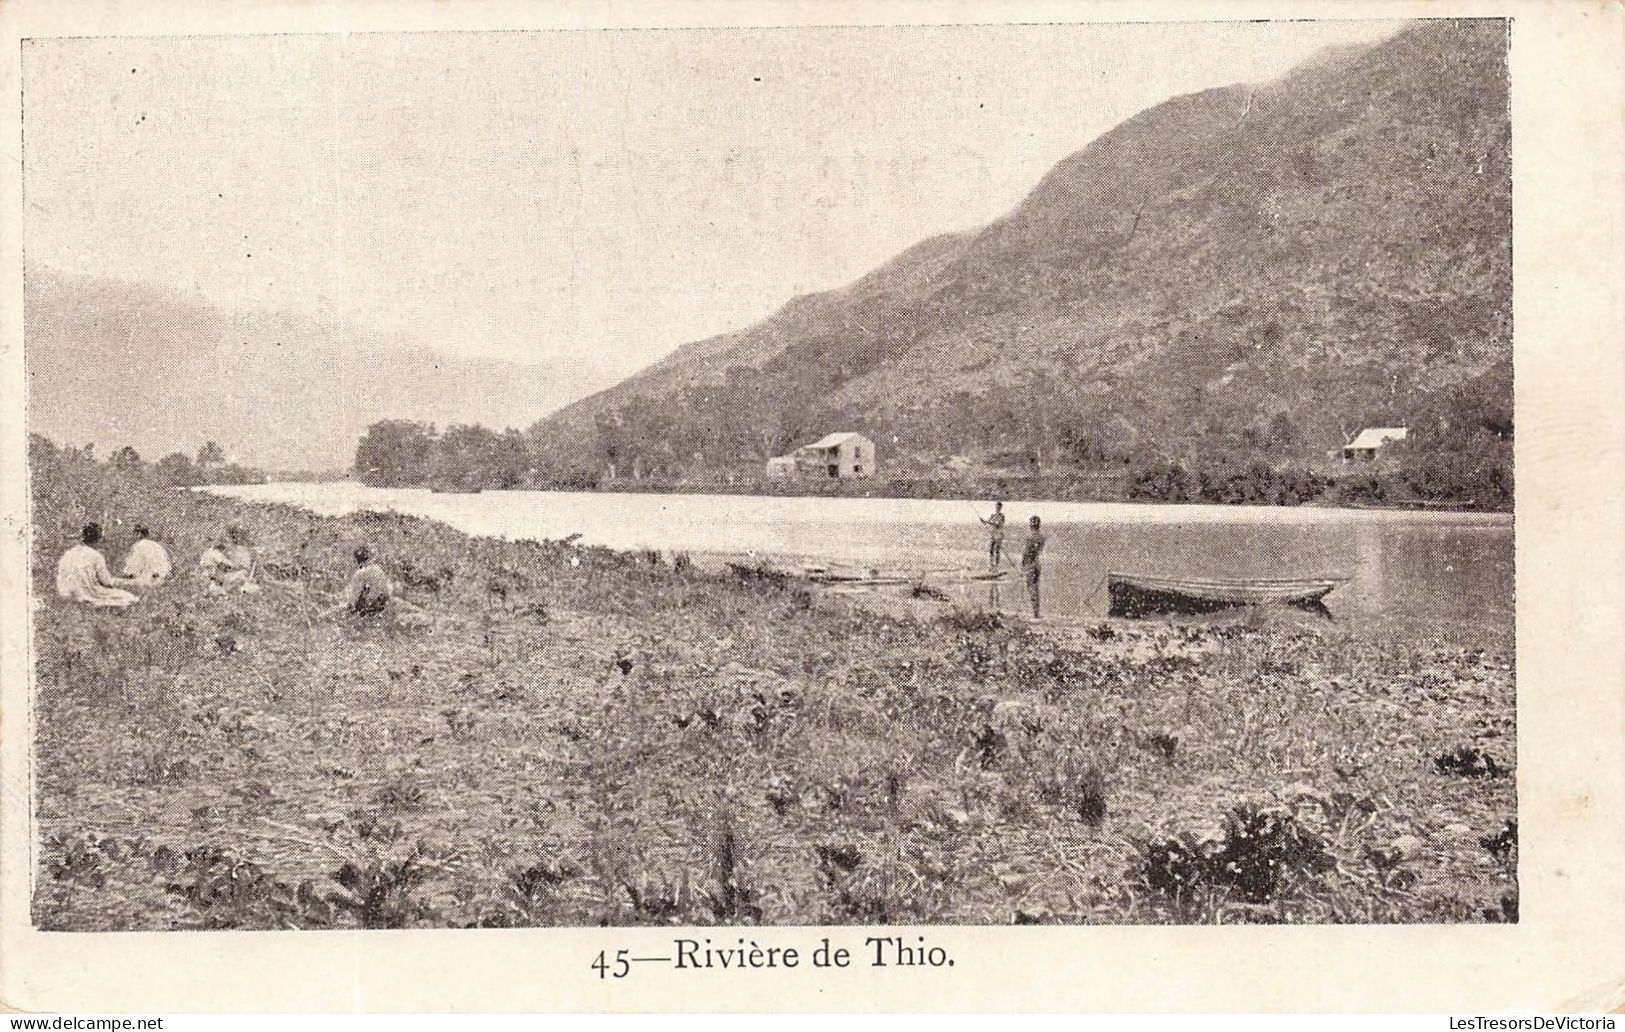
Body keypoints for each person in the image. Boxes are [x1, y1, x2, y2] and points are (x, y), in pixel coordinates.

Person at [321, 545, 424, 622]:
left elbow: (353, 601)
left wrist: (344, 608)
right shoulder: (378, 568)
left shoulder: (360, 573)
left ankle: (321, 617)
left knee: (330, 614)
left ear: (356, 560)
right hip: (384, 603)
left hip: (371, 609)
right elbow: (386, 591)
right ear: (369, 557)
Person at [56, 522, 140, 608]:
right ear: (98, 539)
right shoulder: (96, 556)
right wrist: (123, 582)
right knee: (130, 598)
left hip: (65, 593)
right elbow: (107, 582)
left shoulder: (68, 553)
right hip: (84, 593)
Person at [201, 525, 259, 594]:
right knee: (241, 579)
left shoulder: (207, 553)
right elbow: (229, 564)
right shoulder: (215, 553)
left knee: (242, 580)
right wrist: (240, 568)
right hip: (219, 582)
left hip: (215, 581)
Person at [1020, 514, 1046, 619]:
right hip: (1037, 564)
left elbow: (1026, 553)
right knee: (1036, 588)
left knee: (1030, 587)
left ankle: (1035, 613)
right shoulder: (1042, 537)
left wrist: (1023, 565)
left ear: (1031, 525)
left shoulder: (1029, 537)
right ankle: (1036, 612)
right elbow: (1037, 551)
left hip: (1030, 564)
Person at [979, 501, 1007, 570]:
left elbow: (998, 525)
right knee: (991, 550)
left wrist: (988, 522)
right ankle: (991, 565)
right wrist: (983, 521)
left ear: (1001, 508)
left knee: (997, 550)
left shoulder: (1002, 516)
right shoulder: (993, 515)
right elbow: (987, 523)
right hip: (992, 534)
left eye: (999, 507)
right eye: (997, 507)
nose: (997, 508)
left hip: (999, 535)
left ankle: (996, 565)